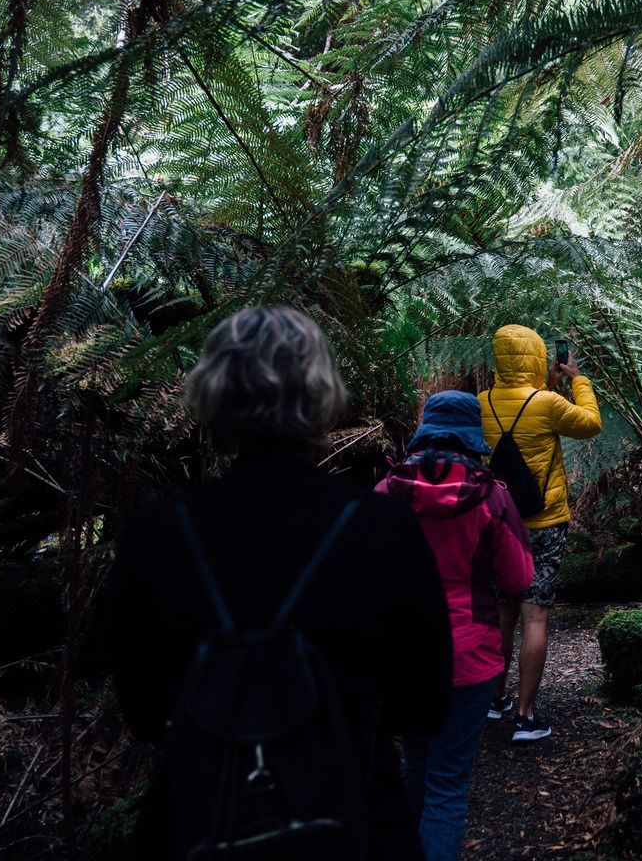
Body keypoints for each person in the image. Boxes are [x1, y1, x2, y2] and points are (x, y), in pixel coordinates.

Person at [107, 306, 452, 860]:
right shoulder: (380, 529)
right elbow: (425, 706)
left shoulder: (159, 533)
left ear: (213, 395)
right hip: (355, 821)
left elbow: (144, 711)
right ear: (320, 394)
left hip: (200, 824)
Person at [376, 391, 535, 861]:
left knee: (415, 769)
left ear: (425, 429)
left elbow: (364, 570)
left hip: (403, 655)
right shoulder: (491, 496)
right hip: (471, 655)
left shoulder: (387, 492)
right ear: (472, 435)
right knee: (447, 787)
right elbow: (519, 577)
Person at [479, 324, 602, 742]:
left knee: (502, 613)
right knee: (535, 615)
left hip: (498, 523)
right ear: (534, 357)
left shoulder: (482, 402)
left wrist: (545, 385)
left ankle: (494, 701)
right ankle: (527, 717)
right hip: (543, 523)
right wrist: (576, 378)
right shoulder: (548, 403)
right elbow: (590, 423)